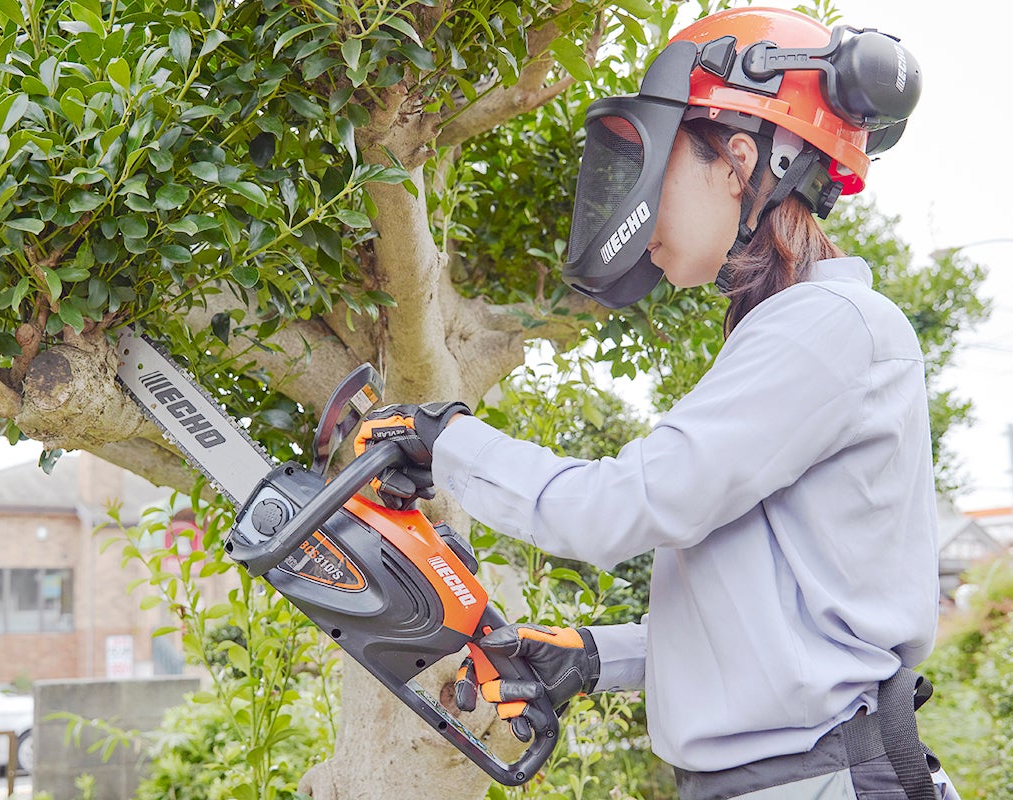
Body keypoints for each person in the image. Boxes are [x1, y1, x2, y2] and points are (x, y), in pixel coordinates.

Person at [353, 8, 958, 799]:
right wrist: (596, 656)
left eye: (658, 159)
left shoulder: (829, 326)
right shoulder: (796, 333)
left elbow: (618, 508)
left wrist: (447, 440)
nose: (636, 210)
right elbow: (776, 625)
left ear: (737, 160)